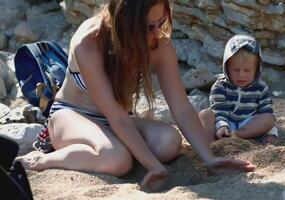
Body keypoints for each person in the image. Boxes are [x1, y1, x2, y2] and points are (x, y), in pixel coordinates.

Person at [16, 0, 256, 192]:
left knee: (169, 142)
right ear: (123, 21)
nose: (156, 32)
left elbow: (181, 107)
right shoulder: (89, 43)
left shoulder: (159, 45)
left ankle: (115, 148)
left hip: (116, 121)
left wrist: (210, 159)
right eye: (147, 26)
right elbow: (116, 116)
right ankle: (44, 160)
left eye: (160, 22)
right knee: (117, 160)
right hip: (72, 115)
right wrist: (154, 166)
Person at [199, 35, 278, 144]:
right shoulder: (220, 86)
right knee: (205, 114)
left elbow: (265, 111)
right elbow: (219, 109)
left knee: (269, 118)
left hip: (248, 125)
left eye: (247, 70)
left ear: (257, 70)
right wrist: (222, 126)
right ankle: (213, 144)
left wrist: (271, 132)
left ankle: (237, 136)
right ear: (226, 68)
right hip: (226, 122)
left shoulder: (260, 87)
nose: (241, 75)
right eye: (235, 70)